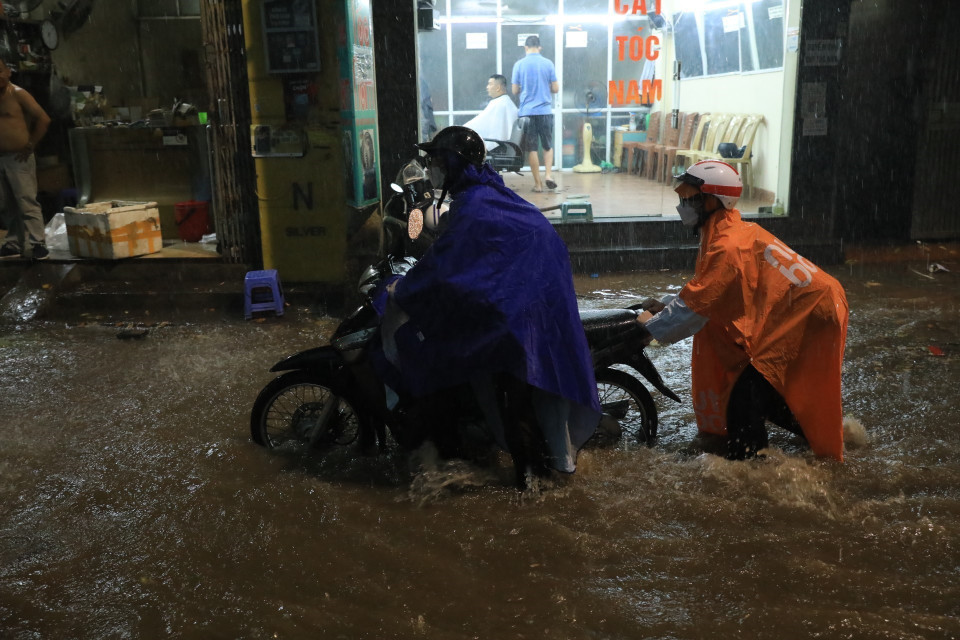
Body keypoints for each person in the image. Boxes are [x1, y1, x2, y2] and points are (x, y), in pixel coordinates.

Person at [375, 125, 600, 480]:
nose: (432, 167)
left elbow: (445, 264)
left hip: (527, 311)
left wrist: (402, 289)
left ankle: (531, 488)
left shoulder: (477, 206)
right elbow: (449, 239)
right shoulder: (479, 195)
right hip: (532, 296)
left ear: (452, 164)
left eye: (436, 160)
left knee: (513, 403)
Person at [639, 160, 849, 461]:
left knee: (745, 395)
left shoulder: (727, 245)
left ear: (713, 200)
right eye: (682, 197)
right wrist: (668, 307)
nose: (683, 205)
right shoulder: (725, 235)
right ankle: (822, 434)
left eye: (690, 198)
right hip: (811, 304)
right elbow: (711, 292)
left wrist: (650, 329)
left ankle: (749, 471)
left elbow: (698, 306)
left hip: (812, 309)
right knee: (763, 385)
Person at [0, 58, 51, 260]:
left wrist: (30, 145)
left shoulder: (18, 94)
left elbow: (44, 119)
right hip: (0, 158)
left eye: (0, 71)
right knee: (5, 203)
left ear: (8, 72)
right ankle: (13, 242)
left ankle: (38, 242)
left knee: (26, 201)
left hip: (19, 157)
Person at [511, 36, 558, 193]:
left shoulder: (519, 65)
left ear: (525, 48)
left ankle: (538, 185)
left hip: (527, 113)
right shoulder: (548, 63)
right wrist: (545, 88)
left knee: (532, 148)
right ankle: (549, 176)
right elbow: (556, 88)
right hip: (544, 111)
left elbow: (515, 90)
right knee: (547, 145)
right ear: (540, 47)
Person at [462, 74, 518, 151]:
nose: (487, 87)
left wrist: (462, 130)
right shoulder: (501, 102)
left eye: (490, 84)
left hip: (499, 148)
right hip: (501, 146)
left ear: (498, 87)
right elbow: (482, 122)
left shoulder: (502, 105)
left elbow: (480, 123)